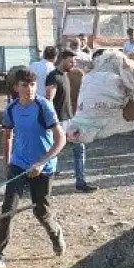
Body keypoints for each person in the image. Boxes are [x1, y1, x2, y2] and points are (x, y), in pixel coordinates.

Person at [0, 68, 67, 268]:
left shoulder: (44, 106)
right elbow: (7, 136)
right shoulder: (11, 108)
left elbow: (61, 139)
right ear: (16, 87)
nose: (29, 89)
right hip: (19, 164)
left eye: (32, 85)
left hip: (44, 166)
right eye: (25, 85)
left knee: (41, 211)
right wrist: (6, 163)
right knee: (8, 209)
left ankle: (56, 233)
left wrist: (41, 163)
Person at [46, 50, 98, 192]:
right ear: (62, 60)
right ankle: (40, 181)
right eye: (71, 61)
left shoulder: (66, 75)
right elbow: (48, 100)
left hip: (70, 119)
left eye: (74, 61)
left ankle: (81, 182)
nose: (73, 64)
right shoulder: (53, 77)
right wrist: (53, 122)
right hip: (59, 121)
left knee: (79, 149)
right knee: (52, 152)